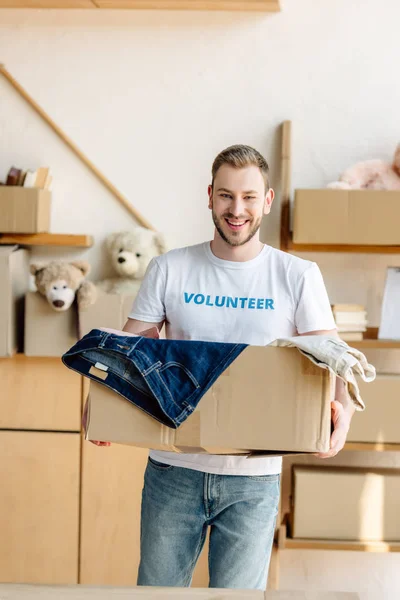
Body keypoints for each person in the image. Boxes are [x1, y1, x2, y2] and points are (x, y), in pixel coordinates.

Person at [91, 145, 355, 590]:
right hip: (174, 471)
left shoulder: (297, 275)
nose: (237, 210)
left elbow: (330, 358)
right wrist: (101, 404)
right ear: (210, 196)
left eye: (249, 197)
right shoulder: (170, 268)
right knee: (157, 594)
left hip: (254, 479)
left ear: (267, 201)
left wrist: (342, 410)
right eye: (226, 196)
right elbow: (131, 346)